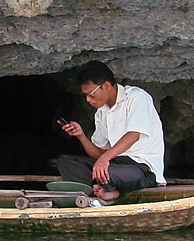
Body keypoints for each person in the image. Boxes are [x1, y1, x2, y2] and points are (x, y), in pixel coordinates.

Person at [57, 60, 166, 202]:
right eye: (85, 96)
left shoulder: (136, 97)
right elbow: (99, 154)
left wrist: (105, 159)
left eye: (91, 94)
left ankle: (109, 190)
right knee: (66, 162)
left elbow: (133, 135)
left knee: (111, 172)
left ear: (107, 86)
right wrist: (81, 136)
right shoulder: (101, 112)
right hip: (114, 165)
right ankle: (105, 189)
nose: (88, 100)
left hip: (142, 168)